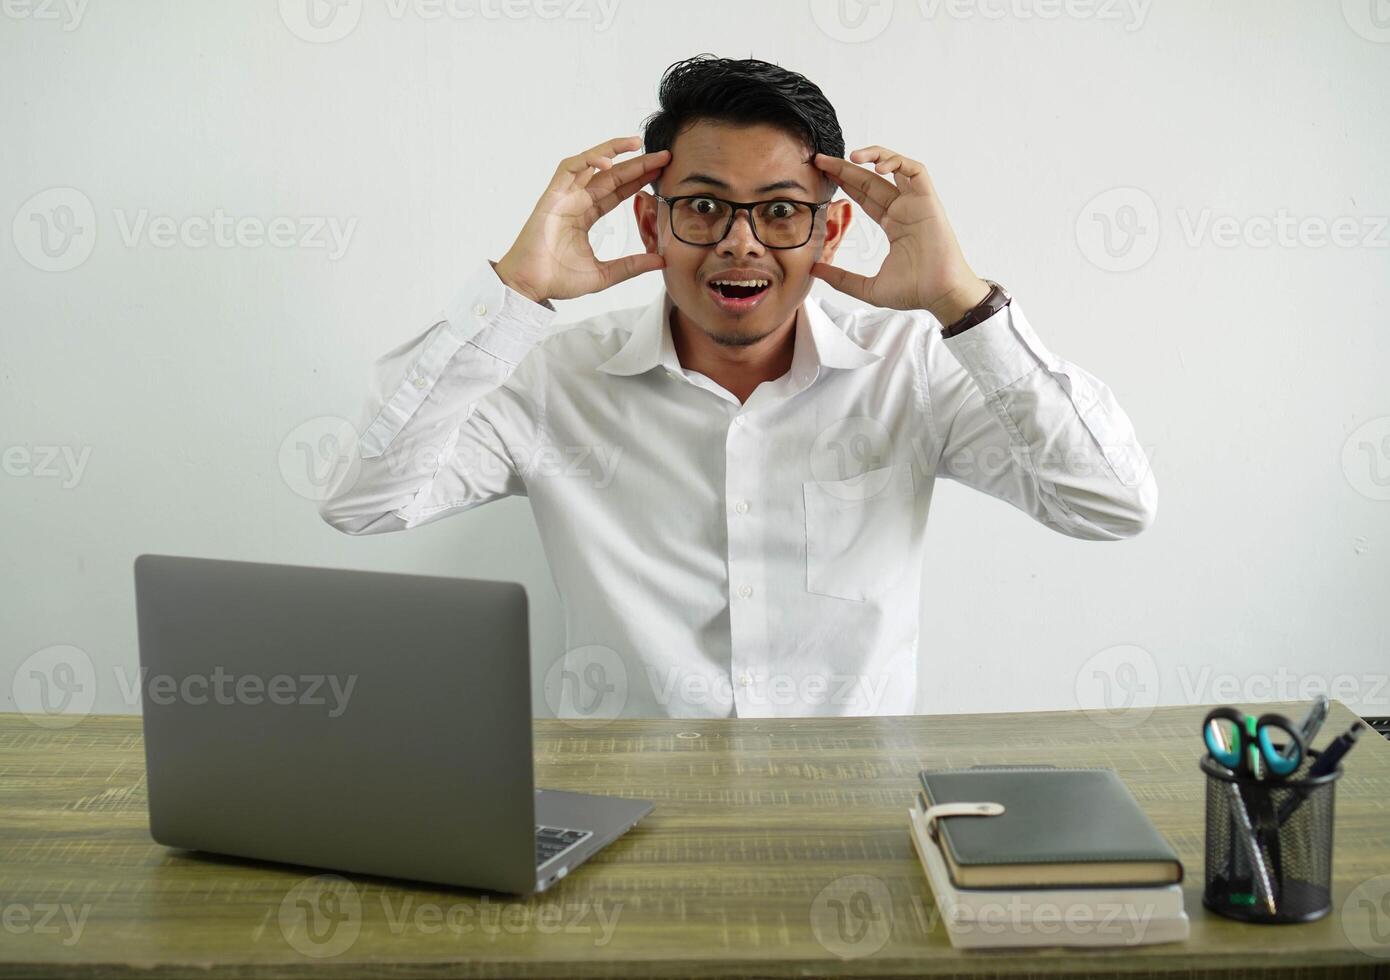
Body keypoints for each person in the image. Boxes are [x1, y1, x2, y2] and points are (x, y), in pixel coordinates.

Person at [318, 55, 1156, 720]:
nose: (740, 244)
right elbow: (362, 502)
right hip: (618, 824)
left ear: (830, 227)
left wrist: (963, 304)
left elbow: (1111, 505)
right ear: (652, 223)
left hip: (851, 821)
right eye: (704, 208)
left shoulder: (914, 369)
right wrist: (514, 293)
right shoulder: (552, 378)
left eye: (781, 211)